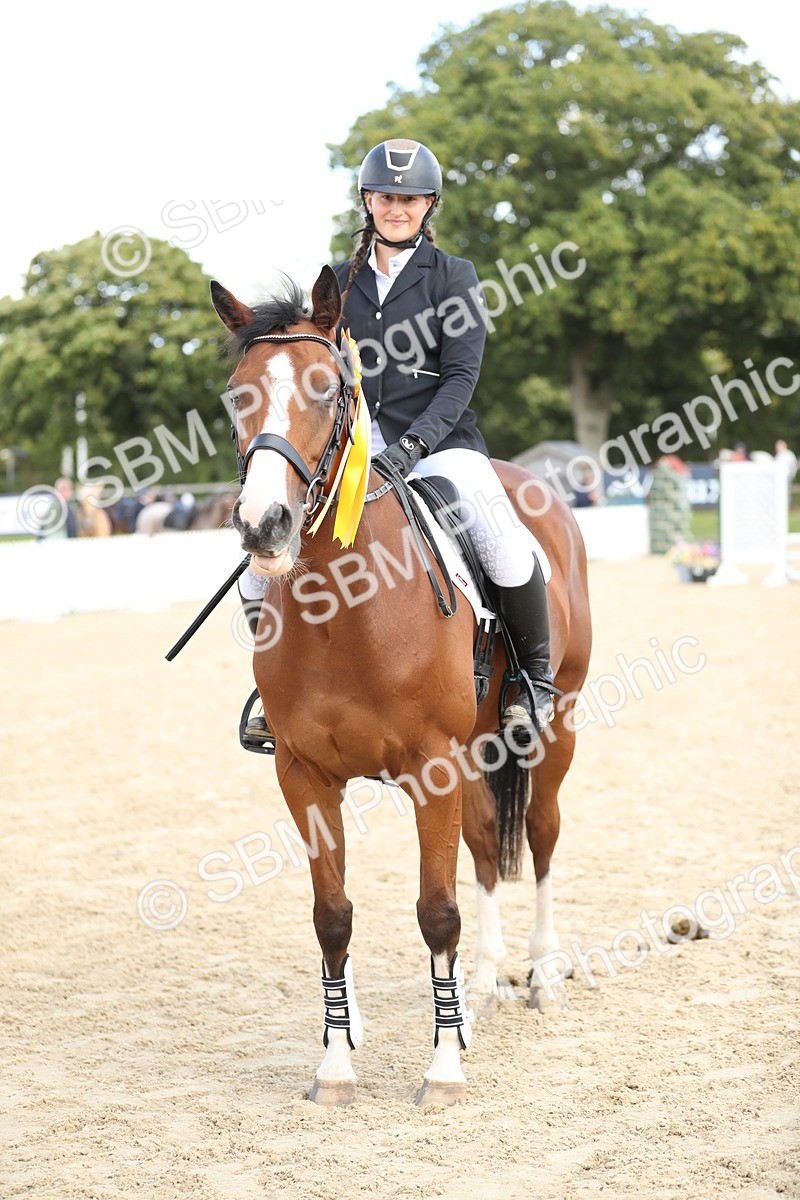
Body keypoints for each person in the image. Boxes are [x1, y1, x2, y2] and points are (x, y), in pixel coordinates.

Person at [241, 138, 555, 748]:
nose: (397, 208)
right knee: (260, 561)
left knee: (504, 541)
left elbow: (461, 378)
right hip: (354, 447)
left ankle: (531, 682)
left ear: (428, 204)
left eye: (409, 199)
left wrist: (413, 446)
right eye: (387, 196)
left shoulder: (453, 277)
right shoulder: (335, 283)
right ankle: (271, 689)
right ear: (368, 200)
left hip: (442, 444)